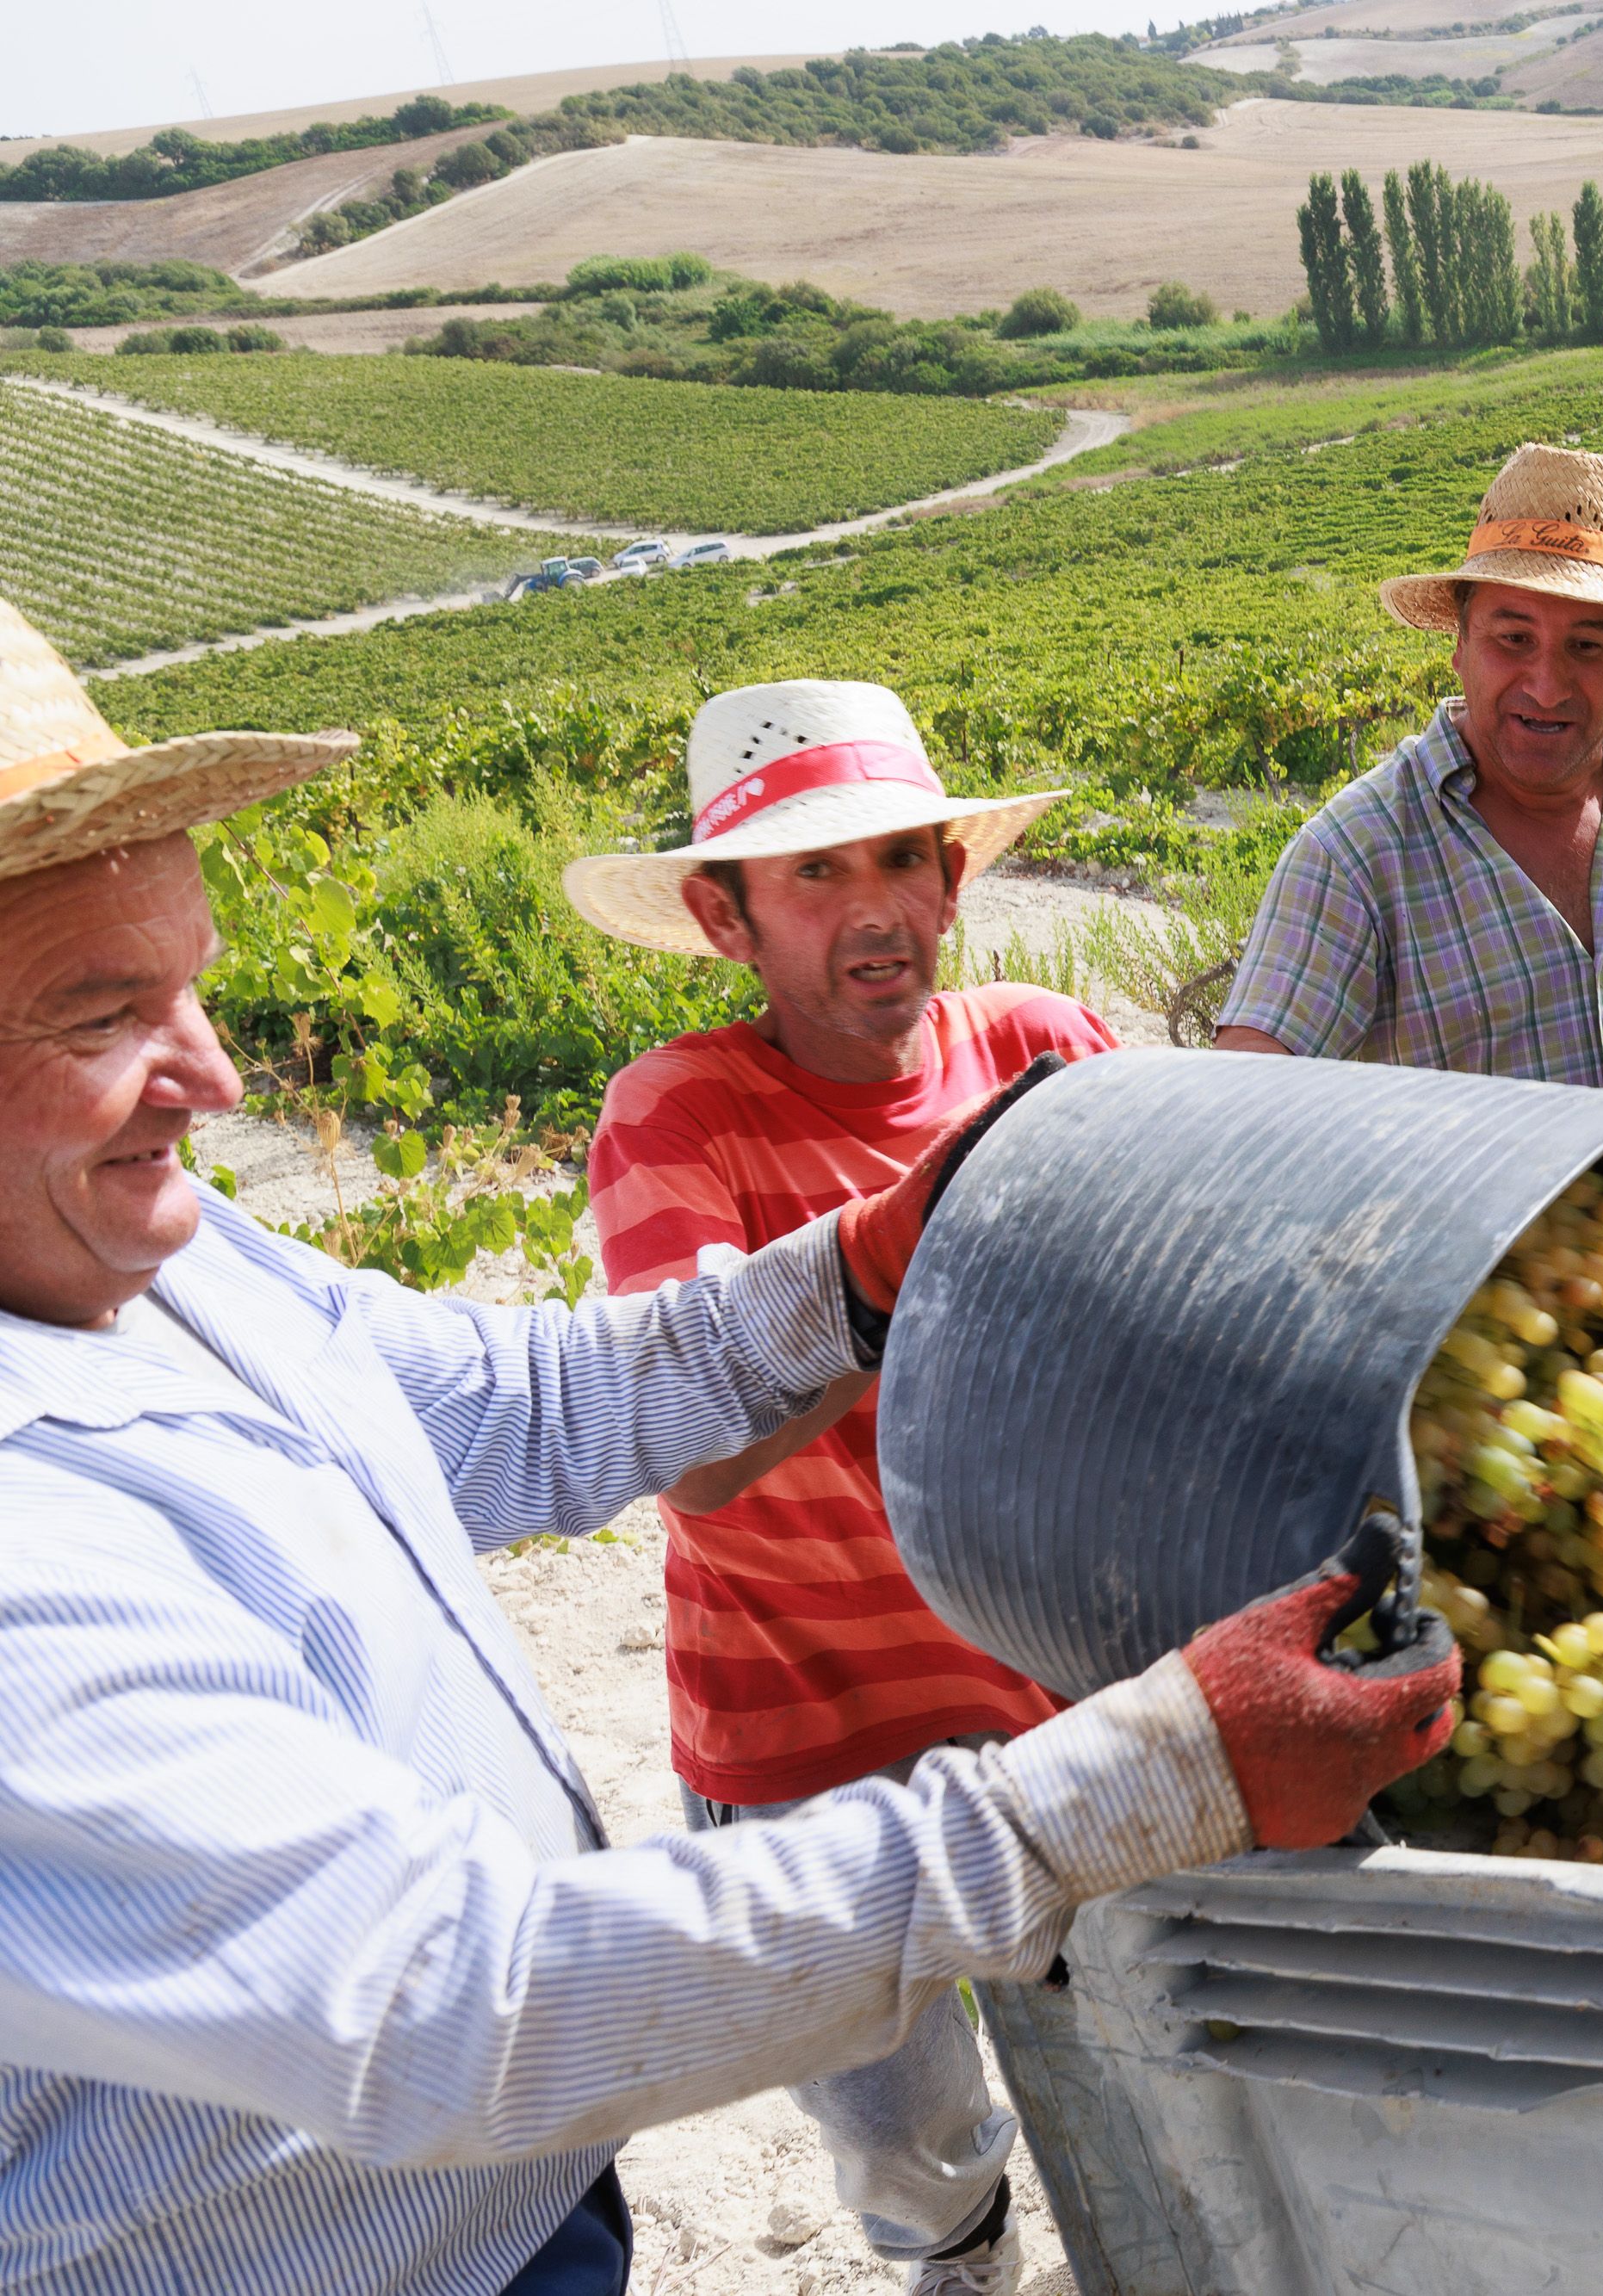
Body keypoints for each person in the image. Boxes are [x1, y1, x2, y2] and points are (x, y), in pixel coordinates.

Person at [0, 601, 1460, 2295]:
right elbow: (462, 2004)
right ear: (723, 915)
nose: (216, 1075)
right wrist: (1136, 1780)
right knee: (918, 2136)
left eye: (190, 987)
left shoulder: (167, 1260)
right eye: (101, 1016)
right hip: (337, 2249)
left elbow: (531, 1402)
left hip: (517, 2212)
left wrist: (864, 1264)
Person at [560, 680, 1117, 2292]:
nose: (874, 913)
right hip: (807, 1749)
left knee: (1121, 2074)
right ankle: (966, 2255)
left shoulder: (1040, 1046)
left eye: (899, 862)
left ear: (953, 878)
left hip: (1057, 1713)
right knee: (909, 2144)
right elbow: (700, 1454)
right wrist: (909, 1273)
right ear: (724, 917)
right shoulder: (681, 1113)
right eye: (813, 876)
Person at [1213, 441, 1603, 1093]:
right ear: (1460, 644)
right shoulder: (1356, 857)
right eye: (1514, 639)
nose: (1546, 685)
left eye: (1587, 646)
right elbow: (1243, 1089)